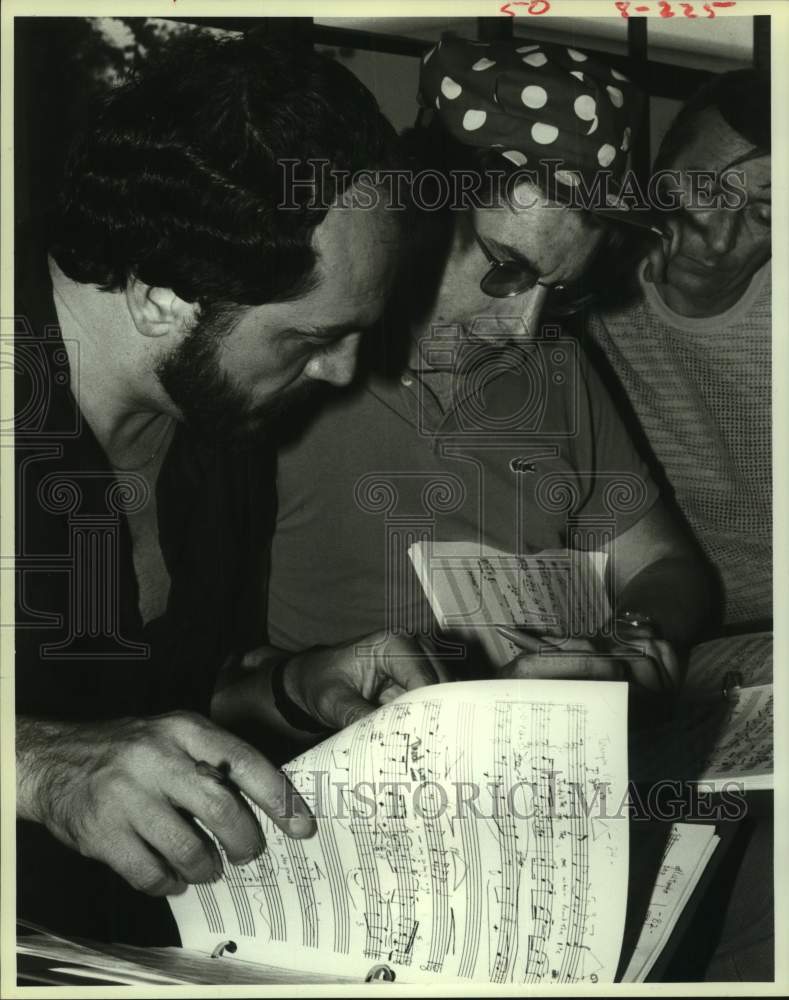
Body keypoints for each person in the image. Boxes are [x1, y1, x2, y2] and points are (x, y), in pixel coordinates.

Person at [14, 33, 441, 943]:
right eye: (308, 337)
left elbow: (168, 690)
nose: (339, 373)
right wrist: (38, 765)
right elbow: (69, 742)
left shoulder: (218, 424)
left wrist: (293, 685)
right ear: (162, 297)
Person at [267, 36, 716, 695]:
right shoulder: (291, 361)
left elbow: (667, 566)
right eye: (506, 268)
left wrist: (624, 639)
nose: (524, 327)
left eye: (559, 290)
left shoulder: (556, 371)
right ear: (416, 211)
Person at [586, 70, 771, 631]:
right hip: (644, 616)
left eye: (765, 214)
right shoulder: (581, 274)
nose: (717, 239)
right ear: (658, 165)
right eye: (704, 189)